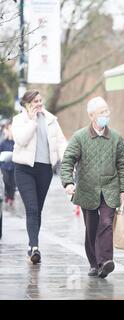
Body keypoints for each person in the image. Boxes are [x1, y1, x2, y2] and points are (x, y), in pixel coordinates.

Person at [60, 97, 124, 278]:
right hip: (87, 189)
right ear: (91, 116)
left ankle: (105, 261)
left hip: (110, 188)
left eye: (107, 111)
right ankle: (94, 263)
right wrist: (68, 182)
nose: (106, 115)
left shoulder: (115, 138)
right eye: (101, 112)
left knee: (106, 223)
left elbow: (122, 164)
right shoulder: (80, 137)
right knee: (91, 227)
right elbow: (67, 161)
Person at [11, 89, 67, 264]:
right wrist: (32, 122)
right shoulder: (19, 120)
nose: (39, 104)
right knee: (32, 209)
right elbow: (21, 140)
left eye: (40, 100)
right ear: (27, 104)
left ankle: (31, 244)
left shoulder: (51, 120)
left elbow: (61, 142)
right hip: (24, 169)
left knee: (38, 210)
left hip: (44, 170)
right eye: (35, 101)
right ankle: (35, 247)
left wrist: (67, 161)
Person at [0, 124, 16, 206]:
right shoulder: (3, 143)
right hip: (4, 166)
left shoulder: (15, 143)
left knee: (13, 183)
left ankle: (11, 198)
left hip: (13, 166)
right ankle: (7, 195)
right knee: (6, 181)